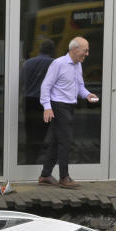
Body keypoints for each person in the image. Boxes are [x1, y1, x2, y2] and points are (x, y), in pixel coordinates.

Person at [38, 36, 98, 189]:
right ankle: (64, 177)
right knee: (66, 141)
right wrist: (47, 106)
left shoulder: (78, 65)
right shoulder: (58, 63)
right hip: (58, 106)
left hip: (70, 106)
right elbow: (46, 86)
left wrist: (87, 95)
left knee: (55, 142)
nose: (87, 54)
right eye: (85, 50)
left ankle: (45, 175)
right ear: (74, 49)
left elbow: (80, 86)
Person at [20, 39, 56, 164]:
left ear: (40, 49)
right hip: (45, 102)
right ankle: (35, 158)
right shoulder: (54, 64)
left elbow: (21, 82)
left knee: (30, 131)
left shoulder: (28, 63)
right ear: (52, 50)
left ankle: (29, 158)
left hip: (29, 100)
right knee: (42, 131)